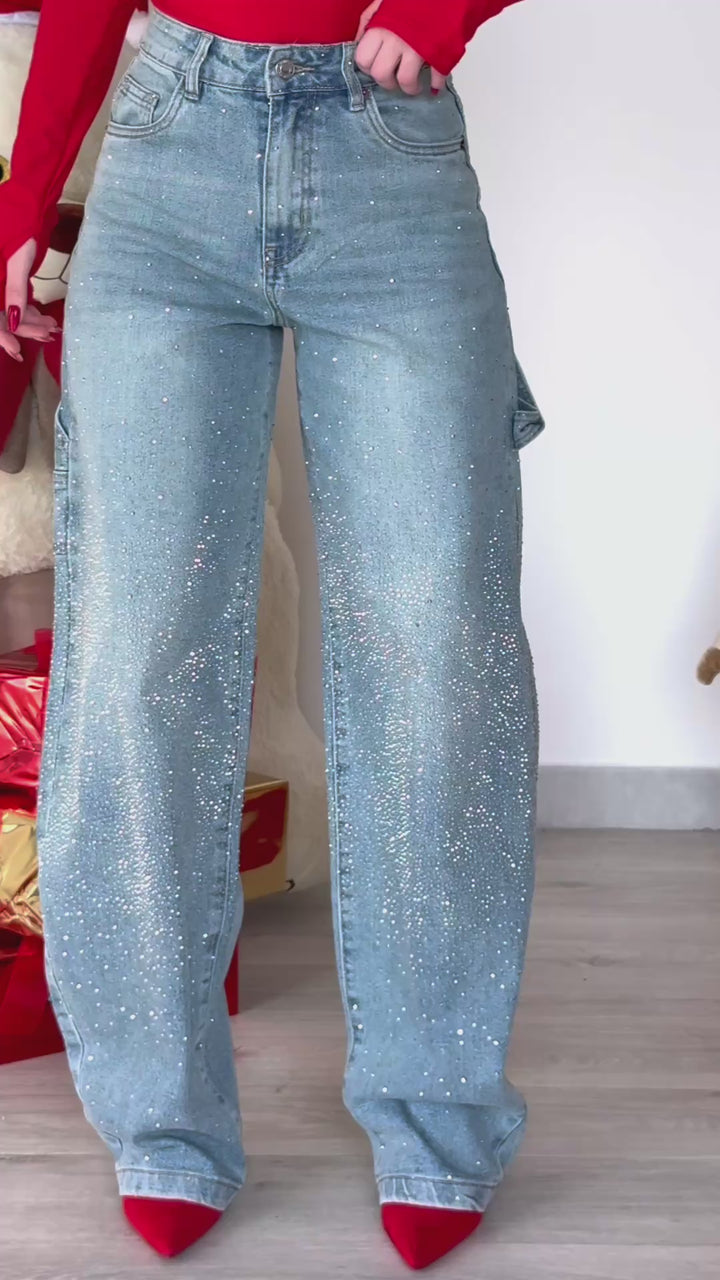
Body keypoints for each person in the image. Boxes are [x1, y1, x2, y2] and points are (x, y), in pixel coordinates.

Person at [0, 0, 544, 1268]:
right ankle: (162, 1126)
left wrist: (444, 10)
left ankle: (436, 1121)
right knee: (137, 659)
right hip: (167, 146)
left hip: (391, 153)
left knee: (440, 656)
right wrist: (27, 194)